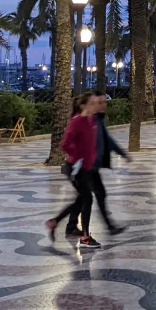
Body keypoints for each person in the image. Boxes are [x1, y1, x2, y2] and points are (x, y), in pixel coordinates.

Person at [47, 91, 130, 249]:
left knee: (82, 200)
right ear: (83, 106)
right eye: (92, 104)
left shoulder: (91, 121)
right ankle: (85, 237)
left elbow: (94, 144)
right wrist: (77, 156)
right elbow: (65, 144)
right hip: (75, 167)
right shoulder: (77, 121)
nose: (95, 106)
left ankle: (56, 222)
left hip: (87, 167)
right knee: (87, 199)